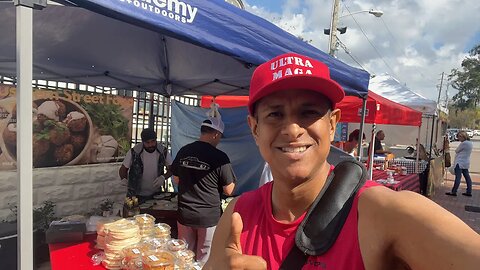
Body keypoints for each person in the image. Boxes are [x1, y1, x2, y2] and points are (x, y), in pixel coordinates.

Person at [204, 52, 480, 270]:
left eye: (309, 112)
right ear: (254, 129)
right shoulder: (239, 215)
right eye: (275, 115)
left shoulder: (383, 213)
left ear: (333, 124)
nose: (292, 130)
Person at [171, 117, 237, 264]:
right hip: (208, 217)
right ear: (215, 134)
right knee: (205, 260)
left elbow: (176, 179)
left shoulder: (184, 151)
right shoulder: (220, 157)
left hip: (185, 213)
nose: (219, 140)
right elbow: (229, 190)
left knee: (184, 257)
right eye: (219, 136)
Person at [119, 128, 173, 202]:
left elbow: (172, 169)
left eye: (153, 141)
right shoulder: (135, 152)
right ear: (143, 142)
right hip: (135, 195)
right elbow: (123, 169)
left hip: (156, 194)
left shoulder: (163, 152)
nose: (151, 145)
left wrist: (163, 177)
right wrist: (123, 179)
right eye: (147, 142)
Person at [446, 130, 473, 197]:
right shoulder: (470, 143)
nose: (458, 139)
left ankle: (454, 191)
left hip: (460, 162)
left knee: (458, 177)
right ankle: (469, 191)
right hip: (465, 162)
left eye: (459, 137)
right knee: (467, 177)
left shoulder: (463, 143)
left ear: (462, 137)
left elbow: (457, 150)